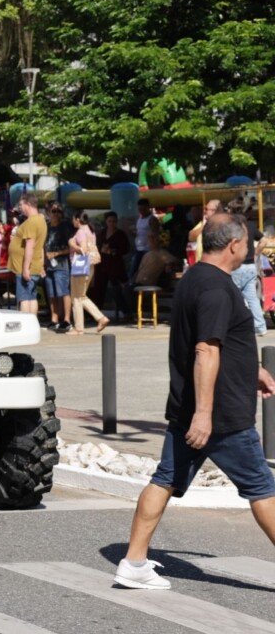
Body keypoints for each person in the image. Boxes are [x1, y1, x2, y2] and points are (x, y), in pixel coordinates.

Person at [116, 214, 275, 589]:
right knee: (262, 488)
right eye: (249, 241)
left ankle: (133, 562)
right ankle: (133, 563)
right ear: (235, 244)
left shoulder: (194, 279)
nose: (252, 247)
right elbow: (205, 349)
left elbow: (214, 339)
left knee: (165, 479)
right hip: (220, 416)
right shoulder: (218, 289)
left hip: (190, 408)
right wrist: (204, 416)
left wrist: (252, 369)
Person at [227, 201, 267, 337]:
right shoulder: (250, 225)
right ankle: (260, 327)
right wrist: (256, 252)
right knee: (252, 298)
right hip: (251, 266)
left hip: (237, 266)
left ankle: (235, 326)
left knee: (233, 297)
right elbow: (264, 240)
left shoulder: (232, 227)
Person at [67, 212, 109, 334]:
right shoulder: (90, 230)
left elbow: (83, 249)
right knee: (81, 296)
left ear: (77, 219)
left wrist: (72, 244)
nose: (72, 221)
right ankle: (99, 319)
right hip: (89, 266)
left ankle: (80, 327)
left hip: (80, 266)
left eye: (73, 219)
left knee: (77, 297)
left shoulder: (81, 231)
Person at [8, 193, 46, 315]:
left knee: (24, 299)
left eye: (21, 204)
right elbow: (40, 247)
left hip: (25, 267)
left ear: (28, 204)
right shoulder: (41, 219)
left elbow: (30, 246)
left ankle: (26, 326)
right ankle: (32, 324)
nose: (19, 208)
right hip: (34, 265)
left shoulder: (31, 222)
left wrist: (25, 269)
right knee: (31, 297)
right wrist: (41, 265)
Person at [92, 211, 131, 320]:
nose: (112, 223)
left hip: (115, 266)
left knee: (116, 290)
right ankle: (96, 314)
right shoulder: (102, 233)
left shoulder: (120, 234)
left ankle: (126, 312)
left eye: (114, 221)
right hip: (102, 265)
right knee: (99, 290)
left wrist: (113, 251)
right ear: (106, 222)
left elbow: (125, 249)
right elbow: (97, 246)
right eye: (110, 221)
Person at [43, 205, 74, 332]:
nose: (56, 214)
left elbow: (70, 247)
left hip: (60, 263)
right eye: (53, 211)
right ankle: (54, 318)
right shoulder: (46, 227)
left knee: (63, 292)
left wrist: (56, 254)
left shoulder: (65, 227)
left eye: (58, 211)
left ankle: (67, 319)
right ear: (48, 213)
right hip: (48, 264)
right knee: (51, 293)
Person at [130, 199, 160, 280]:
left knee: (140, 270)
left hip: (148, 249)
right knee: (134, 270)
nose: (141, 211)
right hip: (139, 248)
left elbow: (156, 234)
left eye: (143, 209)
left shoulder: (152, 219)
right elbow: (140, 232)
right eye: (140, 209)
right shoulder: (139, 219)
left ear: (148, 208)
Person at [187, 198, 221, 264]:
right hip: (200, 262)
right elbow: (191, 237)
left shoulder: (222, 224)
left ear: (215, 211)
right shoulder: (203, 223)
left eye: (207, 209)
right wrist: (204, 225)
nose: (204, 211)